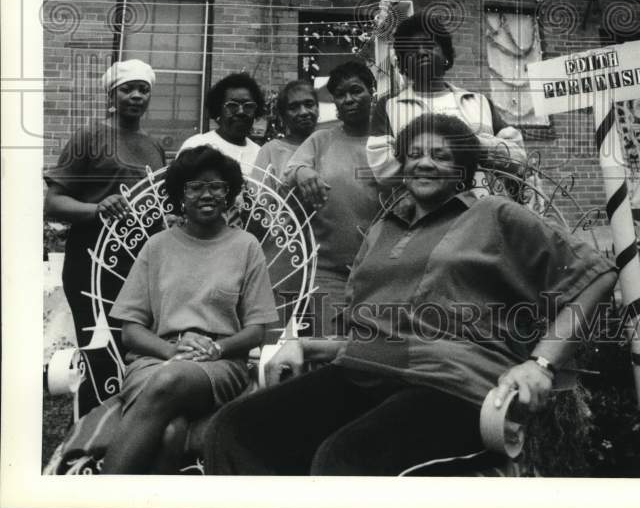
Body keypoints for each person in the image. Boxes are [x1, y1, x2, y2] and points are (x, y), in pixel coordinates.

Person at [204, 114, 616, 476]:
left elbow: (595, 274)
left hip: (451, 384)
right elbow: (371, 331)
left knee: (343, 462)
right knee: (235, 430)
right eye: (415, 153)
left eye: (441, 155)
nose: (425, 162)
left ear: (464, 169)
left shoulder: (495, 215)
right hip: (365, 371)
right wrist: (304, 346)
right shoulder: (384, 230)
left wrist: (541, 365)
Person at [100, 146, 278, 474]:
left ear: (229, 194)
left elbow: (257, 330)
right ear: (180, 195)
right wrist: (171, 349)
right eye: (195, 187)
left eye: (216, 186)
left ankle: (98, 501)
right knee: (171, 431)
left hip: (220, 364)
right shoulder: (157, 247)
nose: (207, 194)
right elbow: (131, 331)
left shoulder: (246, 247)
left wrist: (217, 347)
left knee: (170, 380)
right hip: (154, 358)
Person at [44, 59, 165, 353]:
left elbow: (158, 204)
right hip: (91, 259)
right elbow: (54, 203)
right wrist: (97, 209)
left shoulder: (155, 147)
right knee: (97, 348)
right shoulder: (89, 137)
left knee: (134, 348)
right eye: (127, 89)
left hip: (140, 263)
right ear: (111, 95)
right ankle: (93, 399)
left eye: (143, 90)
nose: (136, 96)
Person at [367, 11, 526, 186]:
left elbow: (518, 158)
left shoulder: (479, 102)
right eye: (411, 50)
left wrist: (476, 145)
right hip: (424, 210)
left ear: (446, 55)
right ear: (403, 64)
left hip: (482, 206)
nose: (421, 52)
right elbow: (382, 170)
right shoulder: (389, 106)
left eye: (429, 45)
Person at [283, 60, 382, 334]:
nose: (348, 99)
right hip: (327, 272)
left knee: (369, 351)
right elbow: (289, 172)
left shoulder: (387, 143)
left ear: (371, 92)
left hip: (379, 273)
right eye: (340, 94)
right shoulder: (321, 140)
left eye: (355, 90)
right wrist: (303, 172)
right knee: (323, 346)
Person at [177, 72, 264, 174]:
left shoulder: (260, 154)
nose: (241, 111)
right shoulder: (196, 145)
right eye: (232, 105)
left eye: (248, 106)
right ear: (218, 109)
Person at [256, 80, 319, 189]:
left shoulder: (330, 145)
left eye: (309, 104)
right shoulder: (271, 151)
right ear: (282, 115)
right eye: (294, 107)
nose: (303, 112)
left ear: (317, 108)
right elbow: (260, 201)